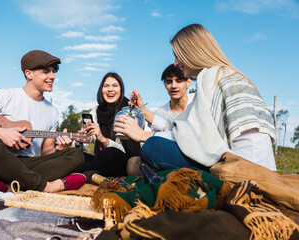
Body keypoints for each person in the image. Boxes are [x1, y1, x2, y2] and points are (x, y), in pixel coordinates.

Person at [114, 24, 276, 172]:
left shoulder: (211, 76)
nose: (176, 63)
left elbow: (193, 136)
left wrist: (143, 135)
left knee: (153, 147)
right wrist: (143, 110)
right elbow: (181, 127)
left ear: (193, 51)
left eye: (178, 55)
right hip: (262, 169)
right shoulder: (226, 75)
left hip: (242, 171)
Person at [0, 50, 86, 193]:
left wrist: (59, 150)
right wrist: (2, 133)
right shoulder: (5, 96)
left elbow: (46, 151)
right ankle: (46, 186)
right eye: (46, 72)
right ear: (29, 74)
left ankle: (8, 186)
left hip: (29, 166)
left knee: (76, 155)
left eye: (53, 72)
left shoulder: (52, 111)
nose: (52, 76)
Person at [80, 72, 141, 177]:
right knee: (78, 156)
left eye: (115, 86)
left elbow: (131, 153)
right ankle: (86, 174)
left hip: (124, 161)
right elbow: (87, 146)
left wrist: (104, 140)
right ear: (101, 90)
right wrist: (81, 138)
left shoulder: (128, 111)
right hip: (100, 159)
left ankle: (81, 175)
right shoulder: (96, 111)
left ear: (121, 90)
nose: (110, 89)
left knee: (110, 153)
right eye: (106, 86)